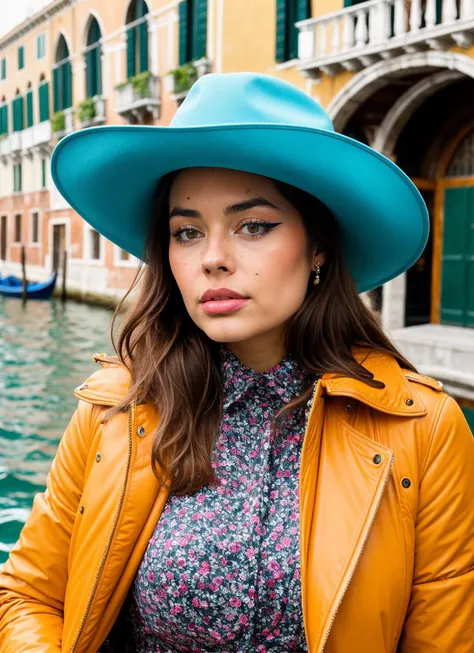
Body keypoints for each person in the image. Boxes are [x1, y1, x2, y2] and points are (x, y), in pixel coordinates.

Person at [0, 73, 473, 653]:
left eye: (253, 226)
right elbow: (29, 596)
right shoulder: (113, 409)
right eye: (187, 232)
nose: (213, 260)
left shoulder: (424, 432)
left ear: (319, 244)